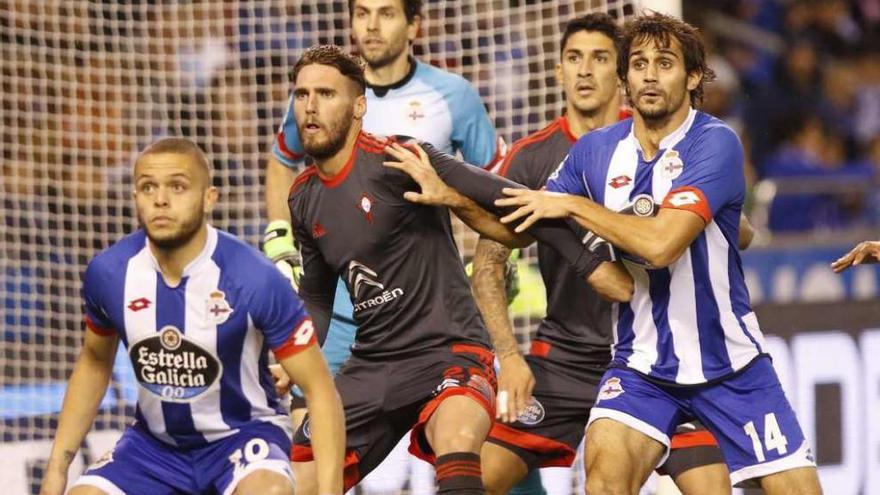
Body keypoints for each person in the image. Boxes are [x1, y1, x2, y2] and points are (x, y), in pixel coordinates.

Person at [494, 13, 822, 494]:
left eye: (664, 63)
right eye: (639, 64)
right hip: (641, 367)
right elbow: (517, 223)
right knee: (603, 481)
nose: (649, 75)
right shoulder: (596, 152)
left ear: (692, 77)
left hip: (731, 369)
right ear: (625, 78)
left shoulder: (715, 142)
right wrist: (450, 189)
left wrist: (571, 205)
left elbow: (661, 245)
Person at [284, 44, 628, 495]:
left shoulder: (401, 159)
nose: (310, 106)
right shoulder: (303, 197)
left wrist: (590, 265)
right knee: (298, 481)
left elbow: (512, 198)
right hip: (373, 364)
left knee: (458, 439)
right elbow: (317, 294)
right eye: (302, 94)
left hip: (450, 351)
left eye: (326, 94)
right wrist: (294, 358)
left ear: (358, 106)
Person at [473, 13, 736, 495]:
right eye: (574, 58)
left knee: (712, 486)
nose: (585, 71)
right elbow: (489, 259)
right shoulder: (531, 158)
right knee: (476, 478)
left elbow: (730, 229)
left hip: (657, 359)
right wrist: (508, 357)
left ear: (620, 73)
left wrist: (719, 220)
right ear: (558, 71)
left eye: (599, 58)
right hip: (567, 357)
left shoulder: (667, 142)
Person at [39, 138, 345, 495]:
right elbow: (94, 361)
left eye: (178, 186)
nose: (161, 199)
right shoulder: (109, 274)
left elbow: (320, 390)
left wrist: (330, 490)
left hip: (242, 438)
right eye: (147, 187)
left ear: (209, 198)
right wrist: (57, 467)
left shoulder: (253, 278)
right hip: (153, 449)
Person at [262, 0, 505, 441]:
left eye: (386, 12)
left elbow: (491, 182)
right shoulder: (318, 90)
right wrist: (279, 235)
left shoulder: (452, 95)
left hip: (427, 312)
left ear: (415, 25)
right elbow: (282, 161)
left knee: (472, 438)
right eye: (362, 12)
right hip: (339, 315)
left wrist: (488, 260)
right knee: (312, 451)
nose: (370, 26)